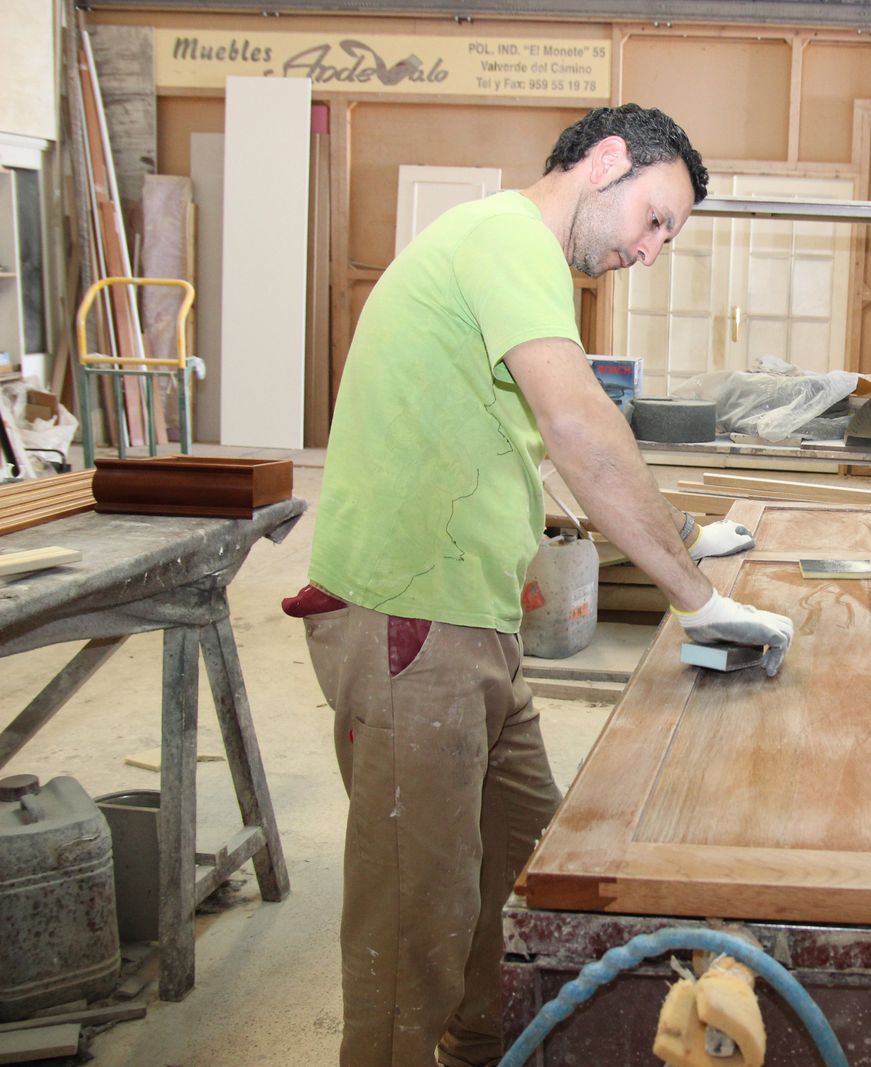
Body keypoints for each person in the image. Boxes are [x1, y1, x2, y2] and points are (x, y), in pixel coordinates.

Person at [283, 104, 794, 1067]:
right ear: (606, 161)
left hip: (471, 622)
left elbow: (537, 442)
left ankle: (483, 1043)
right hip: (410, 619)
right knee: (413, 914)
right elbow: (576, 426)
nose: (650, 250)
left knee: (528, 862)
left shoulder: (516, 264)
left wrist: (687, 532)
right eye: (655, 218)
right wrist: (696, 595)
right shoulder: (506, 236)